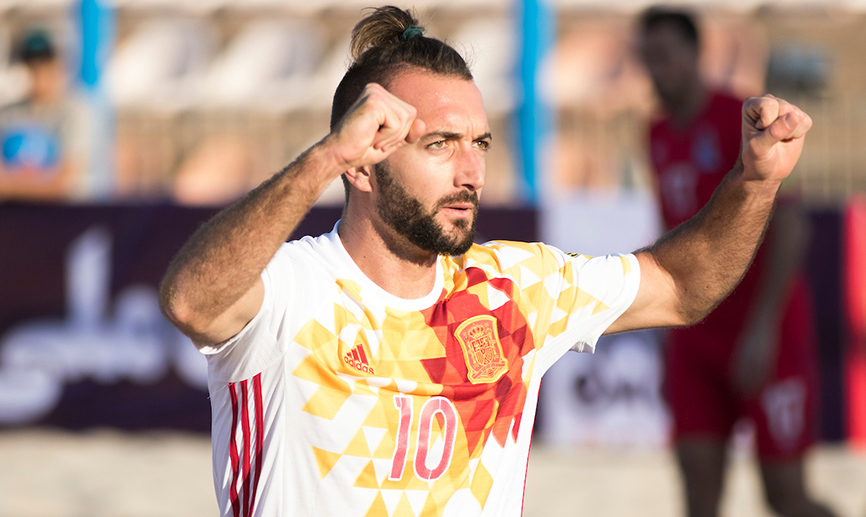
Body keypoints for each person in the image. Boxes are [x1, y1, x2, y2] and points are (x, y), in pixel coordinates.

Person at [159, 6, 811, 516]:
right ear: (362, 160)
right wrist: (322, 158)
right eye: (440, 143)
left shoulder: (515, 288)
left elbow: (680, 284)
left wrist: (754, 183)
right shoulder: (295, 288)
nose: (471, 170)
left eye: (480, 142)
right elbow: (190, 300)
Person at [637, 7, 835, 517]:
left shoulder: (737, 118)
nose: (655, 69)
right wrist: (666, 337)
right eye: (647, 57)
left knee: (785, 496)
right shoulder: (655, 134)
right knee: (699, 498)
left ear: (694, 54)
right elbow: (671, 238)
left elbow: (791, 228)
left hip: (763, 331)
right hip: (695, 337)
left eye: (664, 55)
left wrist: (763, 329)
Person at [0, 29, 93, 202]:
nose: (39, 75)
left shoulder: (74, 112)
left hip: (58, 219)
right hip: (14, 219)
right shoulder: (8, 113)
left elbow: (65, 182)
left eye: (45, 65)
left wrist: (11, 186)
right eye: (33, 67)